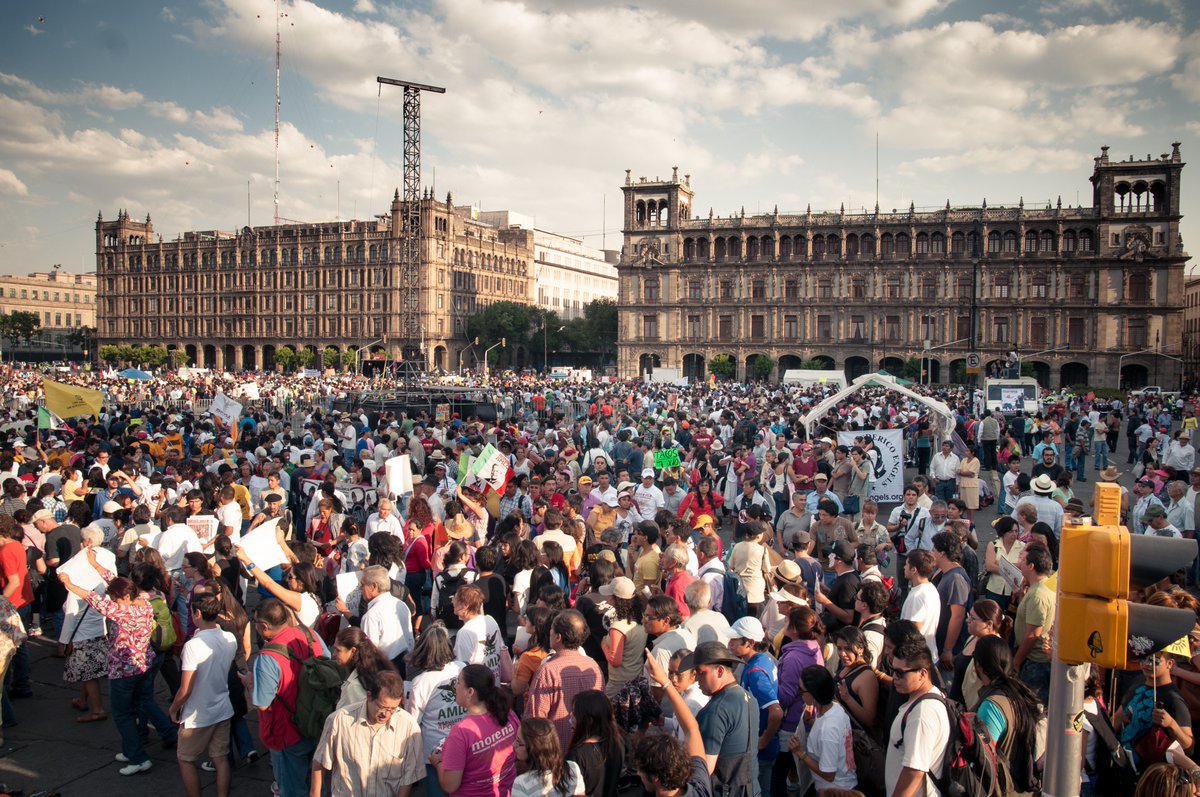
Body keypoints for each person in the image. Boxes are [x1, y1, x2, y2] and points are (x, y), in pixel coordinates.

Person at [58, 548, 169, 776]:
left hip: (124, 670)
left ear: (124, 597)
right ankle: (132, 750)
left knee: (123, 715)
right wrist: (95, 564)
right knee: (139, 706)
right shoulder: (144, 602)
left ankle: (138, 758)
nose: (113, 600)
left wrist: (68, 582)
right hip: (144, 664)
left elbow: (92, 598)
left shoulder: (120, 612)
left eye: (116, 597)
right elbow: (115, 582)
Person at [250, 598, 327, 797]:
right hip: (317, 719)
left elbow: (263, 703)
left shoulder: (267, 657)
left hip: (288, 730)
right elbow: (329, 662)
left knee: (292, 788)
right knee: (318, 783)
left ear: (264, 626)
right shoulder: (310, 634)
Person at [169, 593, 236, 797]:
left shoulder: (193, 646)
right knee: (221, 758)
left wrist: (173, 708)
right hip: (222, 707)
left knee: (186, 759)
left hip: (198, 714)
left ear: (197, 613)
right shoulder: (229, 638)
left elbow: (185, 689)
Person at [429, 663, 519, 797]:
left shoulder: (461, 732)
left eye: (458, 682)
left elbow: (450, 785)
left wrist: (438, 762)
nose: (455, 687)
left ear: (470, 692)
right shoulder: (507, 713)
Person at [970, 635, 1044, 790]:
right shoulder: (1021, 694)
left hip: (1003, 789)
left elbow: (983, 760)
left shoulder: (992, 706)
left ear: (979, 665)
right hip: (1025, 788)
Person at [636, 647, 713, 797]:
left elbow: (688, 736)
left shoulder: (692, 702)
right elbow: (688, 729)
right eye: (670, 673)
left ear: (694, 675)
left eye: (679, 674)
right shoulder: (700, 790)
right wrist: (664, 721)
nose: (673, 679)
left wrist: (665, 683)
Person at [525, 610, 604, 751]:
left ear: (558, 637)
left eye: (551, 629)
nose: (549, 632)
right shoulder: (593, 666)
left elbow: (535, 720)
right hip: (588, 750)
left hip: (556, 752)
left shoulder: (548, 670)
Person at [405, 622, 466, 797]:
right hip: (462, 745)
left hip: (434, 754)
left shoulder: (421, 682)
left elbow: (412, 721)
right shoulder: (461, 668)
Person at [693, 640, 759, 796]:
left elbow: (704, 769)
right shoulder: (749, 698)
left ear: (720, 671)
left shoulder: (715, 710)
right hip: (752, 789)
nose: (696, 679)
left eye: (701, 672)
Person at [884, 639, 949, 797]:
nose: (894, 677)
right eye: (893, 670)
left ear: (923, 674)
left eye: (900, 673)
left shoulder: (922, 713)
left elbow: (914, 771)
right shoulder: (924, 700)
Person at [729, 616, 783, 797]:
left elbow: (776, 712)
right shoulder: (764, 660)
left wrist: (763, 740)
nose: (730, 644)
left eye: (735, 640)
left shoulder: (755, 673)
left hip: (762, 748)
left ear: (750, 642)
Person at [1114, 650, 1194, 771]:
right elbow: (1117, 719)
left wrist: (1171, 724)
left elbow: (1189, 747)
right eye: (1143, 659)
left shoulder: (1174, 699)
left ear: (1170, 664)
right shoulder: (1137, 684)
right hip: (1123, 769)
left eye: (1154, 661)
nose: (1147, 664)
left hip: (1152, 775)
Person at [790, 665, 859, 792]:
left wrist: (800, 753)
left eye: (801, 690)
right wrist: (810, 721)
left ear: (813, 693)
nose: (800, 694)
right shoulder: (836, 709)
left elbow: (829, 774)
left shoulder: (828, 728)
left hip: (835, 791)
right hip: (844, 785)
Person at [1012, 544, 1057, 706]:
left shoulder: (1038, 595)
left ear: (1031, 566)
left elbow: (1033, 635)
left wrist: (1016, 661)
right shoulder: (1041, 587)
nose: (1020, 563)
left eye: (1023, 560)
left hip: (1035, 663)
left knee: (1032, 708)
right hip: (1034, 661)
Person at [949, 599, 1012, 710]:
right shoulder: (973, 637)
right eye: (969, 615)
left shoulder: (993, 651)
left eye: (973, 618)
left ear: (989, 624)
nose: (967, 620)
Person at [566, 690, 625, 797]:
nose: (570, 717)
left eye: (574, 713)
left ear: (587, 720)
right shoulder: (617, 742)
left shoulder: (577, 755)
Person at [511, 716, 587, 797]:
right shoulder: (573, 768)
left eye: (518, 741)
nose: (513, 744)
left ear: (534, 747)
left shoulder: (521, 784)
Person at [356, 565, 415, 669]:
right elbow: (410, 639)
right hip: (404, 664)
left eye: (362, 584)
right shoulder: (401, 605)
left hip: (384, 669)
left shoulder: (371, 616)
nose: (360, 588)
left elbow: (369, 654)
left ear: (374, 587)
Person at [931, 531, 972, 668]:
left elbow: (958, 616)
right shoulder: (946, 573)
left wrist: (948, 650)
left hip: (952, 649)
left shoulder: (956, 579)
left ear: (942, 553)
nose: (932, 553)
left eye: (934, 550)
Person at [332, 627, 395, 711]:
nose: (334, 654)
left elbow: (342, 720)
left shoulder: (354, 687)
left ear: (353, 651)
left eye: (338, 650)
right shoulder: (380, 666)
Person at [453, 585, 505, 681]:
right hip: (494, 681)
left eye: (455, 599)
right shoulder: (490, 620)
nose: (452, 602)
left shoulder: (464, 632)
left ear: (465, 605)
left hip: (477, 688)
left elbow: (463, 667)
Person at [899, 549, 940, 662]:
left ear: (914, 570)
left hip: (917, 660)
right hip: (927, 654)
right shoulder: (931, 589)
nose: (904, 567)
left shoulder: (917, 596)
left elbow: (914, 631)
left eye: (906, 564)